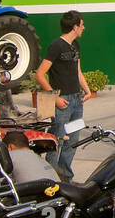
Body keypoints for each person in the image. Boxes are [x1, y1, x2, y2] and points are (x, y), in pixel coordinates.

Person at [35, 11, 93, 182]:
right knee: (58, 141)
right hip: (62, 101)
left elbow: (78, 71)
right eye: (82, 25)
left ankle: (65, 177)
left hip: (76, 100)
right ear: (75, 27)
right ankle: (50, 179)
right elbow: (40, 74)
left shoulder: (76, 45)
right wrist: (54, 98)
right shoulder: (56, 46)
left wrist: (87, 91)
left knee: (72, 141)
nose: (84, 28)